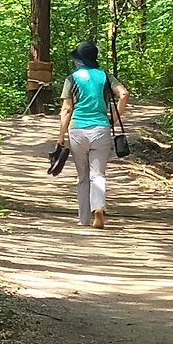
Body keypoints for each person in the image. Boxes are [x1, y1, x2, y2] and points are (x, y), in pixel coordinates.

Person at [56, 41, 129, 229]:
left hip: (77, 130)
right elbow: (123, 94)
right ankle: (98, 208)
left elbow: (67, 109)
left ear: (80, 60)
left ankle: (83, 219)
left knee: (83, 177)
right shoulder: (105, 76)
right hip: (101, 129)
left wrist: (61, 136)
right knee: (98, 174)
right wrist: (114, 118)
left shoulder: (72, 78)